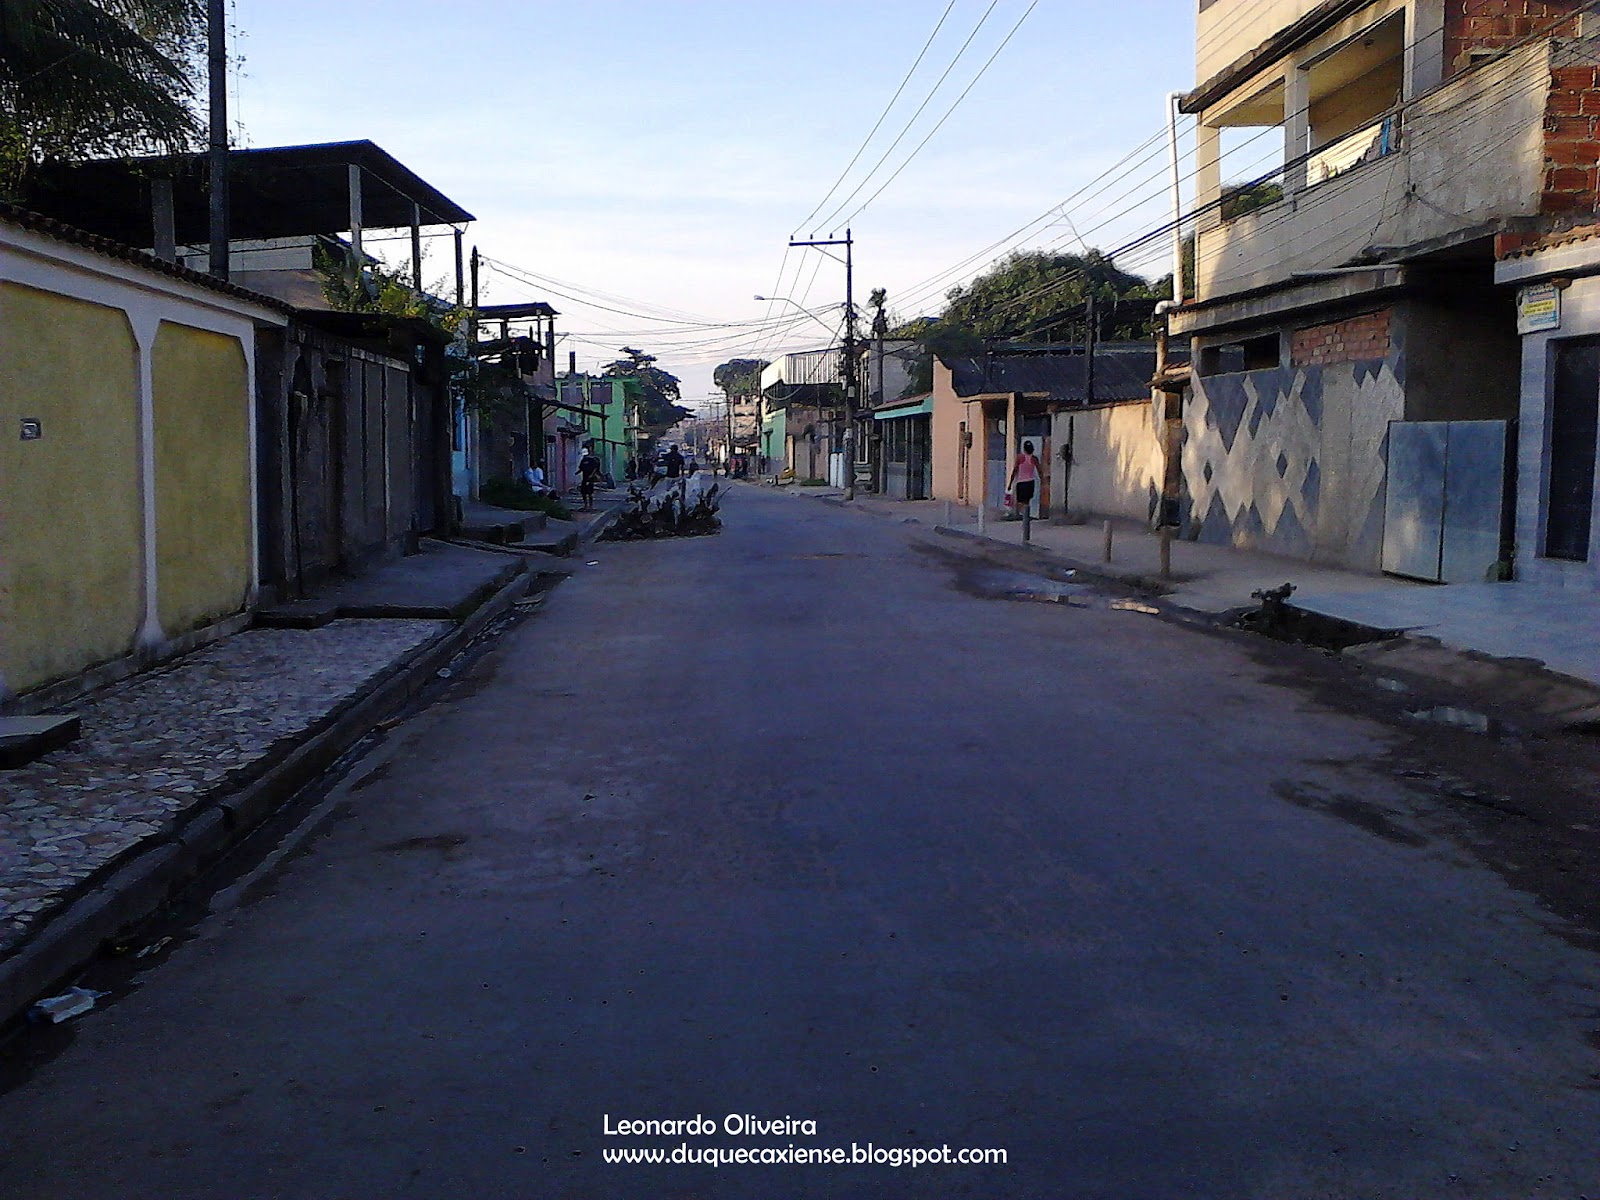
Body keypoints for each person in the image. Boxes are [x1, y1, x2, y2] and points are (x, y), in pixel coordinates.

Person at [1008, 439, 1042, 523]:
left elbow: (1015, 471)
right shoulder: (1034, 459)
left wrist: (1010, 483)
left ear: (1024, 449)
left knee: (1020, 501)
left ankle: (1022, 515)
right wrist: (1042, 481)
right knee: (1027, 500)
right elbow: (1039, 471)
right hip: (1030, 482)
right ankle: (1026, 516)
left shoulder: (1020, 458)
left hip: (1021, 482)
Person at [577, 447, 602, 511]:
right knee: (583, 492)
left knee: (590, 492)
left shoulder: (592, 460)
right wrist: (578, 472)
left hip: (590, 478)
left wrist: (591, 475)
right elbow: (581, 468)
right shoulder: (583, 460)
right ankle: (585, 505)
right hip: (584, 478)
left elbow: (595, 468)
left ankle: (590, 505)